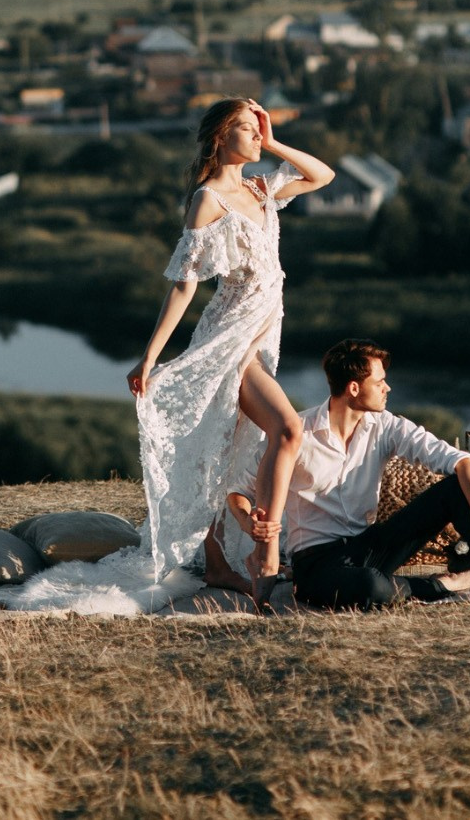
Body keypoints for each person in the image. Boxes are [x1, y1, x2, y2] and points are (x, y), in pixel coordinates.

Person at [127, 98, 334, 596]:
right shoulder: (208, 201)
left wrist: (274, 138)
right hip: (230, 339)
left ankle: (219, 565)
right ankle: (265, 549)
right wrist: (151, 356)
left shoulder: (261, 188)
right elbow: (184, 286)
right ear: (221, 138)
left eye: (258, 127)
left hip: (263, 335)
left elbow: (322, 175)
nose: (256, 135)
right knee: (286, 429)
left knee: (229, 447)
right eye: (247, 127)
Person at [265, 338, 470, 611]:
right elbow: (244, 490)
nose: (388, 387)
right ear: (353, 388)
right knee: (370, 586)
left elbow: (463, 463)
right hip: (317, 564)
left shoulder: (385, 426)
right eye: (379, 382)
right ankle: (445, 584)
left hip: (371, 546)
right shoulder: (297, 433)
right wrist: (249, 517)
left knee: (455, 490)